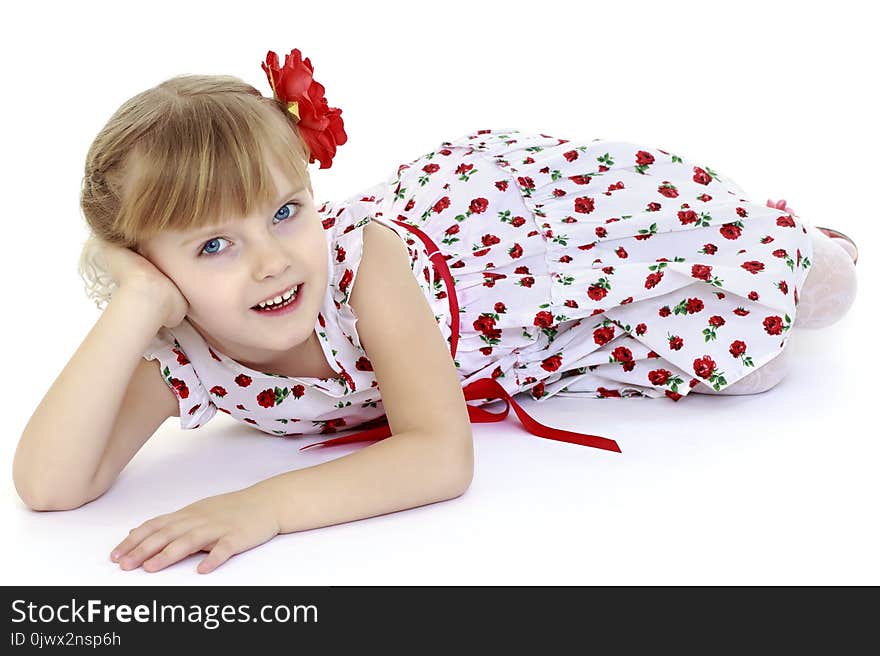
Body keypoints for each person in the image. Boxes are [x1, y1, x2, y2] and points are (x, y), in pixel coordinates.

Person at [12, 48, 858, 574]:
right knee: (734, 369)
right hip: (496, 347)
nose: (273, 261)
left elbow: (439, 454)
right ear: (147, 267)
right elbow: (50, 488)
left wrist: (261, 505)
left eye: (284, 212)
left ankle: (791, 248)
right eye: (211, 246)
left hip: (503, 250)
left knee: (714, 279)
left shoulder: (358, 264)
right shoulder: (183, 345)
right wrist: (134, 304)